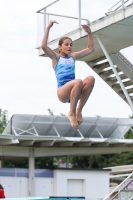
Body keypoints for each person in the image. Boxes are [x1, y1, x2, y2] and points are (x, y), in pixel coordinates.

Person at [41, 20, 95, 130]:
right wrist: (48, 28)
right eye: (66, 45)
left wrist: (89, 33)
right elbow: (43, 46)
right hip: (63, 93)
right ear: (60, 47)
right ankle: (71, 113)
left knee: (90, 79)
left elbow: (91, 49)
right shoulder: (56, 58)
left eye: (71, 45)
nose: (69, 47)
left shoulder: (73, 56)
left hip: (75, 92)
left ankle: (78, 110)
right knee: (78, 81)